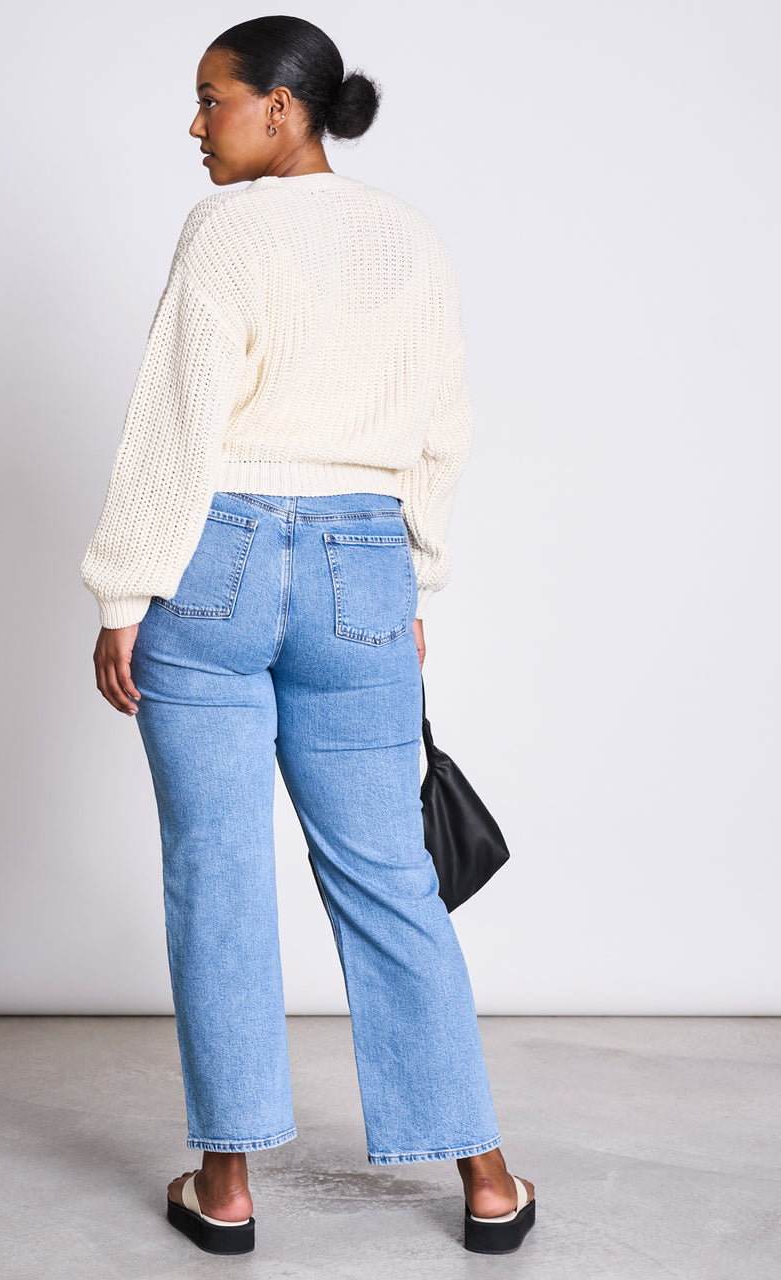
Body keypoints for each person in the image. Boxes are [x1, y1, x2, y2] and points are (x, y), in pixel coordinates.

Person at [80, 15, 536, 1258]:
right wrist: (412, 586)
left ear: (283, 109)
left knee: (215, 875)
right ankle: (487, 1177)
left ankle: (225, 1186)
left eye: (210, 100)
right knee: (389, 874)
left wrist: (125, 592)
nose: (195, 125)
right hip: (360, 563)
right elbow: (443, 425)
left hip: (214, 558)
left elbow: (176, 424)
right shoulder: (410, 237)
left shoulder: (227, 231)